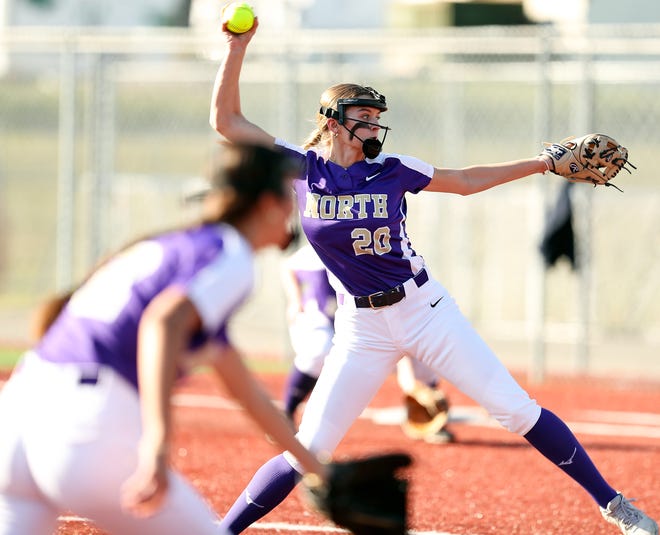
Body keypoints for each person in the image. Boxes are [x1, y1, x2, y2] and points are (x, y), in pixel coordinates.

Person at [208, 17, 658, 535]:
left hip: (424, 311)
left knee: (516, 411)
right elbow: (227, 121)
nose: (375, 126)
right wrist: (236, 47)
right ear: (332, 121)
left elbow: (464, 181)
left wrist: (541, 164)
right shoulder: (303, 168)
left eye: (378, 117)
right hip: (361, 328)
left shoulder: (394, 168)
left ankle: (616, 506)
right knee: (308, 448)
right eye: (364, 117)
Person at [0, 144, 329, 535]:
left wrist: (318, 470)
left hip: (18, 417)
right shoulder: (228, 253)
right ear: (267, 203)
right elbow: (162, 321)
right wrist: (157, 442)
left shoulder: (176, 246)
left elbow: (244, 388)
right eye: (288, 195)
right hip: (84, 428)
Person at [281, 243, 454, 443]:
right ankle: (286, 412)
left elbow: (396, 329)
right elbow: (288, 265)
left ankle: (429, 415)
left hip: (365, 327)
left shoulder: (386, 256)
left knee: (421, 351)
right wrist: (294, 298)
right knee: (319, 349)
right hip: (322, 320)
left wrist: (411, 385)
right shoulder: (333, 243)